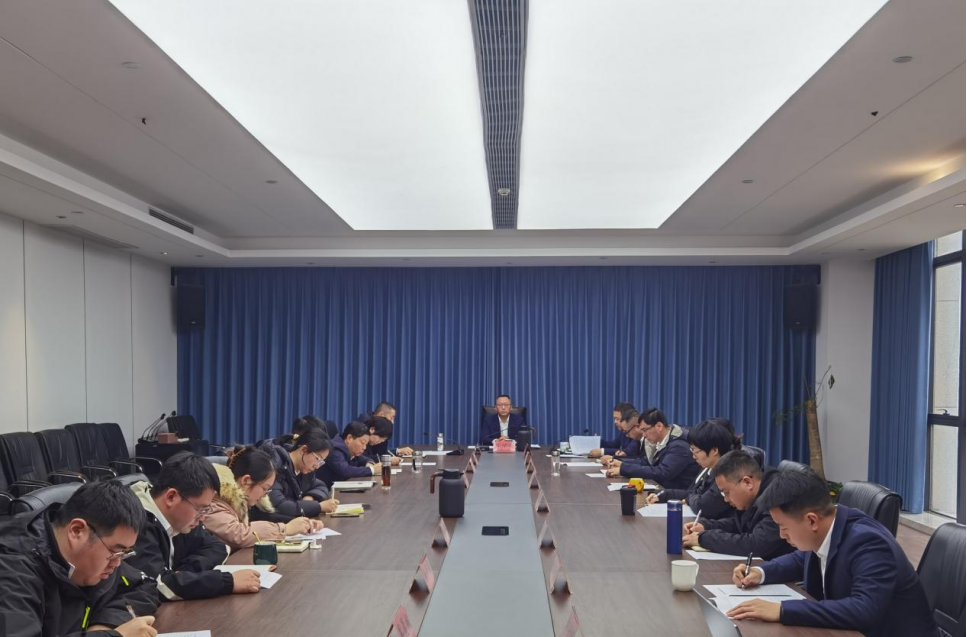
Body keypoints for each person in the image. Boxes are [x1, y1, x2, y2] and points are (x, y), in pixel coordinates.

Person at [728, 467, 939, 637]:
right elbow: (802, 559)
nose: (782, 535)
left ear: (812, 520)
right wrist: (761, 572)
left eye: (783, 527)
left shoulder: (869, 543)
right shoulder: (829, 526)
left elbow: (863, 609)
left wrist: (782, 610)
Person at [0, 480, 160, 637]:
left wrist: (105, 626)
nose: (117, 563)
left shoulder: (96, 558)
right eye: (116, 552)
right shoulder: (13, 571)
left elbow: (144, 586)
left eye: (124, 553)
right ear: (77, 531)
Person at [128, 452, 264, 600]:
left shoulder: (183, 519)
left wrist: (184, 575)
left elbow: (219, 547)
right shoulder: (135, 523)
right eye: (200, 509)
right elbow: (156, 586)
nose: (203, 517)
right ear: (171, 497)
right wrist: (226, 582)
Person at [205, 446, 324, 551]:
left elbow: (265, 517)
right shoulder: (213, 501)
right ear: (246, 480)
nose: (265, 495)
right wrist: (284, 529)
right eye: (265, 488)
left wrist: (300, 524)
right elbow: (239, 534)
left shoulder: (241, 500)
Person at [682, 450, 792, 560]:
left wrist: (705, 539)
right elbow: (740, 523)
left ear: (747, 482)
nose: (725, 499)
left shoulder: (777, 497)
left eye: (726, 492)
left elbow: (756, 544)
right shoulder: (753, 494)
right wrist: (707, 526)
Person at [645, 418, 742, 521]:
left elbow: (703, 506)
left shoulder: (726, 474)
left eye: (695, 450)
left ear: (714, 450)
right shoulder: (706, 468)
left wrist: (689, 499)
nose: (693, 456)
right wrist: (663, 494)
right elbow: (692, 492)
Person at [256, 426, 338, 520]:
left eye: (321, 462)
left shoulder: (304, 469)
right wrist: (318, 507)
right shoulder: (276, 466)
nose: (317, 466)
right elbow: (279, 506)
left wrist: (310, 497)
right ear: (303, 450)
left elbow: (320, 485)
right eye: (317, 459)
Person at [606, 408, 700, 490]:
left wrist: (623, 469)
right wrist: (622, 463)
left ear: (659, 426)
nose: (644, 435)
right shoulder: (662, 441)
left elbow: (662, 472)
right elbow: (646, 462)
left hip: (677, 496)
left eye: (645, 430)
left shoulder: (679, 446)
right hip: (664, 490)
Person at [316, 421, 381, 488]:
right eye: (362, 443)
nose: (364, 447)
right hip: (326, 491)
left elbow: (362, 458)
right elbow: (345, 470)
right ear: (349, 438)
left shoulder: (349, 449)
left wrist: (369, 462)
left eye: (366, 444)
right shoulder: (335, 449)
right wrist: (372, 469)